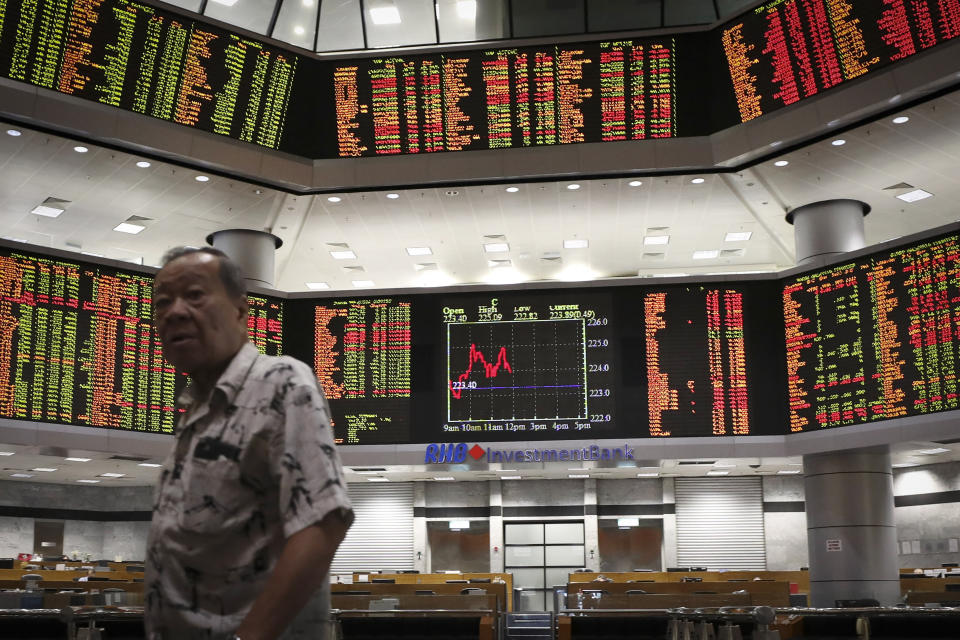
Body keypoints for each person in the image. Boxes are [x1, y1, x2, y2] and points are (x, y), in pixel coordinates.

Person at [145, 247, 353, 640]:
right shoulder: (195, 409)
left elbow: (323, 522)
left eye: (194, 295)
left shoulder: (281, 382)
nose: (174, 311)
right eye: (162, 302)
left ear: (241, 312)